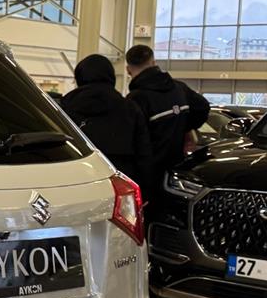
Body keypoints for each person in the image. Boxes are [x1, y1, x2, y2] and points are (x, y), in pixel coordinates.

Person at [125, 44, 210, 206]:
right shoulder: (179, 88)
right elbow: (203, 108)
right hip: (178, 175)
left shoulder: (135, 99)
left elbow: (132, 141)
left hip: (149, 177)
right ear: (153, 62)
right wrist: (184, 127)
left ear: (128, 70)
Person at [62, 54, 151, 184]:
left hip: (76, 177)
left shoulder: (63, 107)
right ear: (111, 77)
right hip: (119, 179)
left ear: (79, 77)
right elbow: (143, 152)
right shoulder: (129, 108)